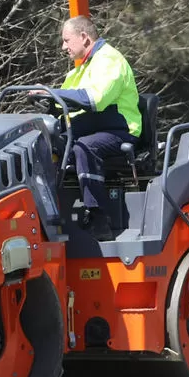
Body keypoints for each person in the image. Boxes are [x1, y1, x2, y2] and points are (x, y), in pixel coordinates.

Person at [46, 16, 141, 240]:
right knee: (46, 143)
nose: (63, 47)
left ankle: (100, 216)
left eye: (66, 40)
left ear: (84, 37)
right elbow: (64, 103)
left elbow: (95, 100)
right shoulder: (80, 70)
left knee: (84, 148)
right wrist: (47, 99)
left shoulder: (109, 61)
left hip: (121, 130)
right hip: (93, 127)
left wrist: (55, 94)